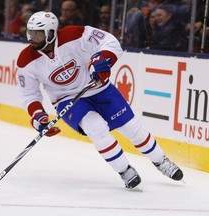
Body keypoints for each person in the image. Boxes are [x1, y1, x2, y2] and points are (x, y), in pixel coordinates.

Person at [16, 11, 184, 189]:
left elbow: (110, 42)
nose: (31, 38)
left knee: (132, 128)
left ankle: (160, 161)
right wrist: (38, 118)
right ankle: (124, 170)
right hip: (67, 100)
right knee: (96, 128)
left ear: (51, 33)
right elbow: (29, 95)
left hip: (99, 88)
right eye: (30, 32)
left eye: (37, 33)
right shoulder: (26, 60)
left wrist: (102, 58)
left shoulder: (75, 34)